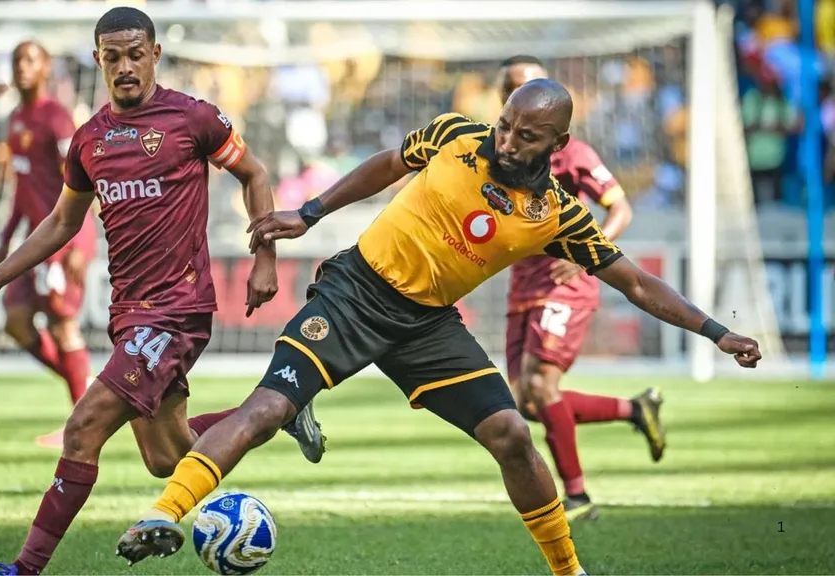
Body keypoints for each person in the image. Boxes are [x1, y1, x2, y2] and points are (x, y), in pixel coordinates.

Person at [116, 78, 762, 576]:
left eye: (525, 138)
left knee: (512, 432)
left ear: (557, 147)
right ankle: (161, 515)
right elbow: (388, 164)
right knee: (263, 410)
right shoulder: (456, 134)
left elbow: (637, 282)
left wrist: (716, 332)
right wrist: (308, 213)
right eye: (506, 126)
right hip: (352, 293)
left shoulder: (557, 215)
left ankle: (569, 570)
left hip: (426, 327)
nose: (506, 143)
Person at [0, 8, 325, 575]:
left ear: (154, 56)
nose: (124, 66)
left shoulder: (193, 119)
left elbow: (256, 175)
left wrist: (264, 256)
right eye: (112, 56)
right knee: (165, 456)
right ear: (98, 60)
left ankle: (24, 569)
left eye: (135, 54)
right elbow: (62, 222)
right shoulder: (88, 140)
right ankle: (277, 411)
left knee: (83, 427)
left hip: (177, 311)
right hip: (132, 315)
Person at [498, 55, 663, 522]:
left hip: (564, 284)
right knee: (524, 403)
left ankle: (577, 496)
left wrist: (586, 257)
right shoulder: (497, 151)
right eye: (514, 87)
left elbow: (620, 210)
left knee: (540, 385)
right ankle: (634, 409)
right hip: (522, 285)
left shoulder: (574, 155)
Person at [0, 41, 99, 448]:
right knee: (15, 320)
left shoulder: (57, 118)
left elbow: (80, 186)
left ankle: (81, 423)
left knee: (61, 323)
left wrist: (80, 243)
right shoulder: (17, 118)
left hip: (62, 239)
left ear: (45, 69)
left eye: (31, 60)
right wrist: (6, 239)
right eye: (17, 60)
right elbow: (24, 192)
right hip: (32, 241)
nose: (23, 67)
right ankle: (89, 391)